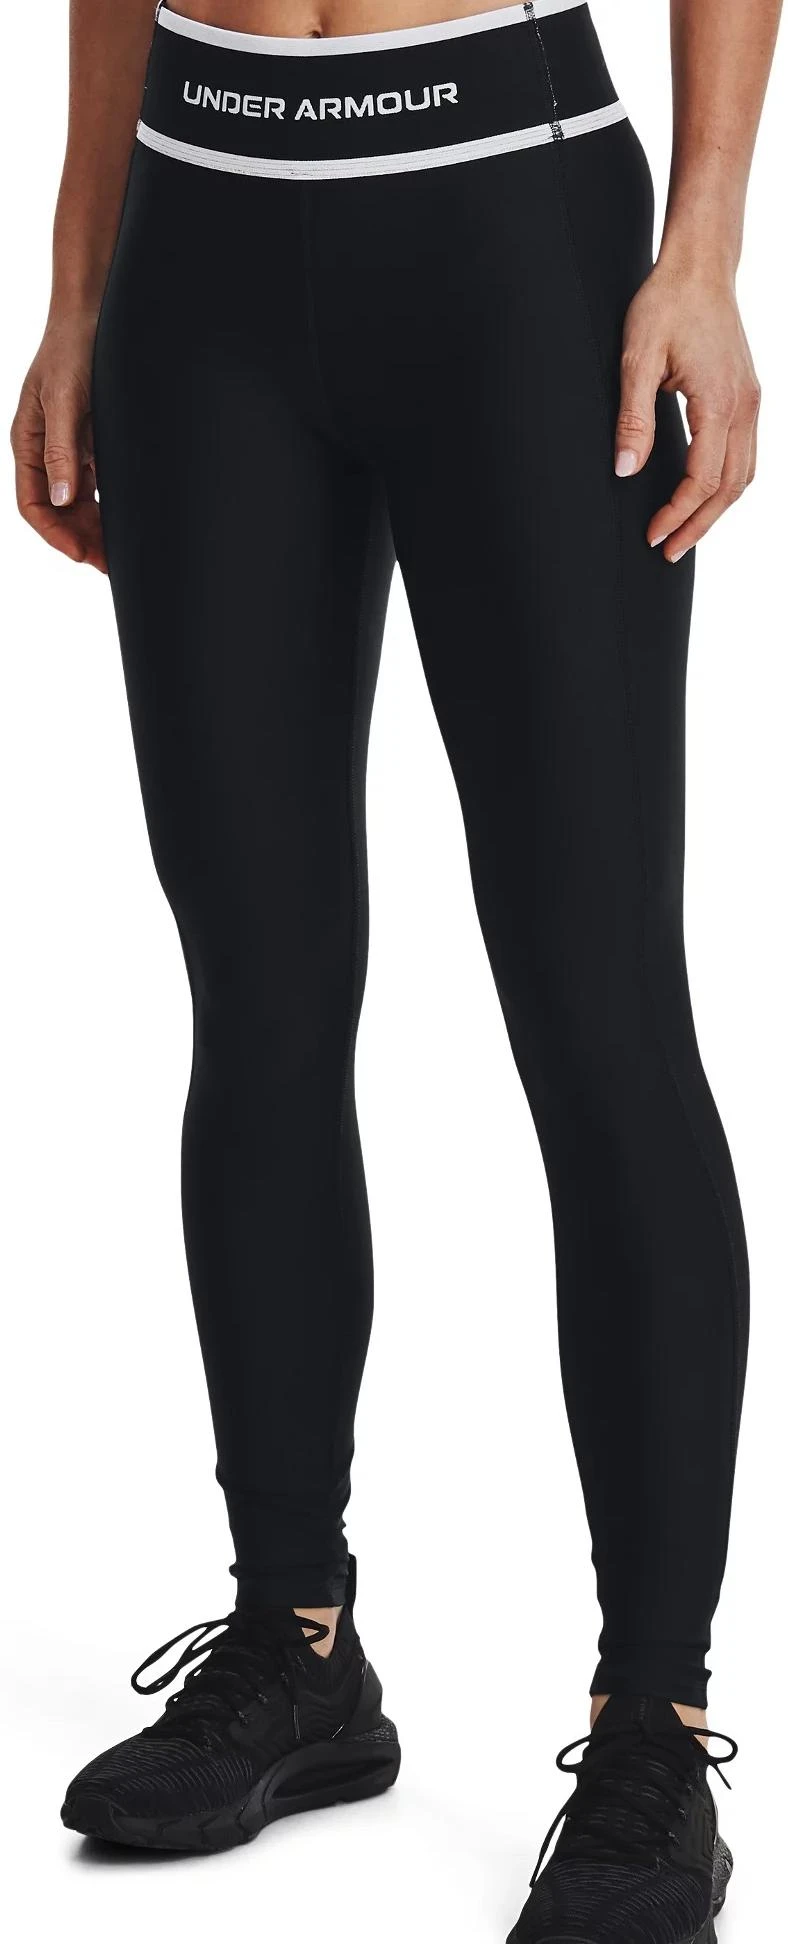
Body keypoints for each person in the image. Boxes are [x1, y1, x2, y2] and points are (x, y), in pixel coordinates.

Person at [11, 0, 780, 1933]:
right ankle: (298, 1641)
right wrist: (80, 279)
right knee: (258, 1000)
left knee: (601, 1010)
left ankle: (653, 1722)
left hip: (508, 219)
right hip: (202, 232)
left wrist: (703, 242)